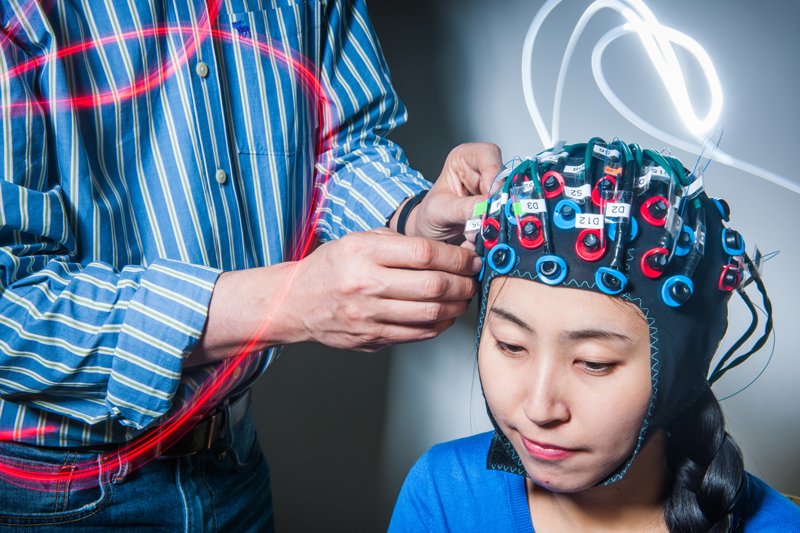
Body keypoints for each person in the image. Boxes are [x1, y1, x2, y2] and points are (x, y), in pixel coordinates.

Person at [0, 0, 501, 530]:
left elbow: (340, 146)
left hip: (234, 464)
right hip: (56, 495)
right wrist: (291, 302)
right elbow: (10, 306)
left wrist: (410, 220)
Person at [389, 138, 800, 532]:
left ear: (682, 366)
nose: (539, 408)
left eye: (594, 362)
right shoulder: (444, 493)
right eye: (511, 345)